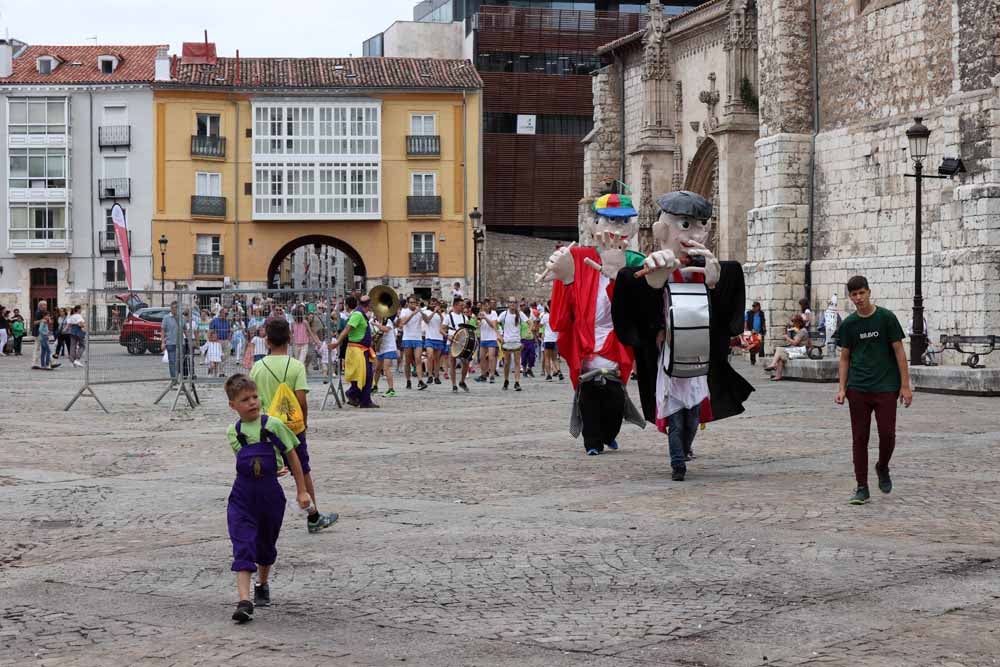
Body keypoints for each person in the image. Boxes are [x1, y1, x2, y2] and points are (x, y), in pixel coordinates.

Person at [613, 190, 753, 479]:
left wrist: (715, 281)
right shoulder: (652, 269)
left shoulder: (709, 269)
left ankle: (684, 449)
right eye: (685, 225)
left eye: (702, 225)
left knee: (692, 416)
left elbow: (726, 314)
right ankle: (677, 462)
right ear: (661, 230)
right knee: (676, 416)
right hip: (668, 360)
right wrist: (653, 283)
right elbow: (631, 301)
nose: (696, 235)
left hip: (698, 359)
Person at [544, 192, 647, 455]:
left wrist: (618, 277)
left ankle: (609, 432)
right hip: (585, 343)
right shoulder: (576, 257)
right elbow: (560, 318)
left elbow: (638, 310)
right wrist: (566, 281)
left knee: (614, 398)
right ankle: (592, 442)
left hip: (616, 343)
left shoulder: (636, 262)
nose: (614, 229)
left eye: (622, 222)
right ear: (594, 225)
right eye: (608, 220)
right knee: (588, 396)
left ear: (632, 228)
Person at [224, 373, 311, 623]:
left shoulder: (273, 425)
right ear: (233, 406)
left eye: (254, 397)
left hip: (270, 496)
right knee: (243, 545)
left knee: (265, 543)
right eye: (245, 399)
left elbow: (293, 456)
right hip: (241, 497)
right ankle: (244, 600)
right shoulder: (233, 432)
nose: (252, 402)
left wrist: (301, 489)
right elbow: (244, 461)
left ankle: (262, 583)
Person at [251, 318, 339, 533]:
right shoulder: (296, 366)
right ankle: (313, 516)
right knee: (302, 470)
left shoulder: (257, 367)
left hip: (265, 427)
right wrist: (304, 424)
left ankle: (258, 516)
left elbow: (254, 398)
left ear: (267, 341)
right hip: (292, 428)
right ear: (290, 339)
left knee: (264, 472)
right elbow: (301, 400)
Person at [834, 275, 913, 506]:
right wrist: (841, 388)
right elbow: (845, 357)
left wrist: (905, 385)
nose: (858, 298)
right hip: (858, 388)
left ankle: (882, 466)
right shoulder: (849, 325)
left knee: (888, 434)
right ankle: (861, 487)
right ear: (850, 297)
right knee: (860, 437)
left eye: (862, 293)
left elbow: (899, 352)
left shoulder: (886, 318)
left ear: (869, 292)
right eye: (854, 294)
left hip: (886, 387)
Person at [333, 294, 378, 408]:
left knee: (363, 375)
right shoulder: (358, 315)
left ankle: (361, 399)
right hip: (358, 350)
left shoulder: (360, 314)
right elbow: (347, 329)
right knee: (365, 375)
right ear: (369, 305)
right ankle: (354, 395)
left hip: (361, 350)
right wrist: (337, 342)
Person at [764, 314, 809, 381]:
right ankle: (778, 376)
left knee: (779, 349)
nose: (793, 323)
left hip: (801, 352)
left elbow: (795, 343)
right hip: (797, 350)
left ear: (799, 322)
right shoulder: (799, 330)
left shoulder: (802, 331)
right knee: (780, 356)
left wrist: (787, 337)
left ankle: (773, 365)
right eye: (792, 321)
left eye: (794, 322)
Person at [397, 296, 426, 390]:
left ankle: (420, 381)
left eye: (414, 302)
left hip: (418, 338)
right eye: (411, 302)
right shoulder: (404, 311)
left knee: (418, 359)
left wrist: (421, 312)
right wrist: (413, 313)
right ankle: (408, 380)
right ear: (408, 303)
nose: (413, 304)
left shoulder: (419, 311)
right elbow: (403, 322)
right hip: (407, 338)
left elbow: (427, 320)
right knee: (408, 361)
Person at [443, 296, 471, 393]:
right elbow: (441, 329)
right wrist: (447, 336)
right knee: (453, 363)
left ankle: (462, 381)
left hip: (462, 343)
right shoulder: (448, 316)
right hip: (452, 342)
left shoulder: (465, 317)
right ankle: (454, 384)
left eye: (463, 305)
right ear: (455, 305)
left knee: (466, 363)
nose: (463, 307)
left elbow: (467, 330)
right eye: (461, 305)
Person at [497, 299, 523, 391]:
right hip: (507, 341)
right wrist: (499, 335)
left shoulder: (520, 314)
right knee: (507, 363)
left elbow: (529, 322)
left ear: (516, 304)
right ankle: (506, 380)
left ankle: (517, 382)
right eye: (511, 302)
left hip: (516, 341)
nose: (512, 304)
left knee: (517, 363)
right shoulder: (504, 314)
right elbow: (495, 323)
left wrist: (527, 332)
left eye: (514, 302)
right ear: (508, 304)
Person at [372, 313, 398, 398]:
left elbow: (386, 329)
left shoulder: (388, 321)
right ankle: (374, 386)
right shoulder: (371, 321)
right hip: (380, 348)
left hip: (389, 347)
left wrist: (376, 324)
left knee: (386, 368)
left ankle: (391, 389)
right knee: (377, 369)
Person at [421, 298, 445, 387]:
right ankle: (430, 375)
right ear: (429, 304)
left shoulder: (440, 314)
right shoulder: (427, 312)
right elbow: (427, 320)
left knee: (437, 358)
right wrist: (434, 312)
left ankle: (436, 376)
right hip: (429, 337)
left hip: (438, 337)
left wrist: (439, 313)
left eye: (435, 303)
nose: (434, 305)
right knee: (430, 356)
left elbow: (443, 322)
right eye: (432, 303)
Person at [476, 299, 499, 383]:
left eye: (487, 305)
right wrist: (478, 319)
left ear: (489, 305)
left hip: (492, 338)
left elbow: (493, 325)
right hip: (483, 338)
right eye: (483, 305)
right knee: (482, 357)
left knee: (491, 357)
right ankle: (483, 374)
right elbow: (477, 325)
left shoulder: (494, 313)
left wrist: (485, 318)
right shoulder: (481, 313)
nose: (485, 307)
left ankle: (492, 375)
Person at [539, 300, 562, 381]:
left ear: (548, 306)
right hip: (555, 339)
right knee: (555, 358)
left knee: (547, 358)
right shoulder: (557, 315)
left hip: (547, 339)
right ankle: (559, 372)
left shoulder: (545, 316)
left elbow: (540, 325)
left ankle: (549, 375)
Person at [161, 301, 181, 381]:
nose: (174, 309)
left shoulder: (180, 317)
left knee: (179, 362)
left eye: (176, 308)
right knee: (172, 362)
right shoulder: (166, 318)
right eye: (173, 308)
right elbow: (162, 330)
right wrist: (163, 342)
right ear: (171, 308)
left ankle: (178, 377)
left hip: (180, 343)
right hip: (170, 343)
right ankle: (174, 379)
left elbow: (185, 329)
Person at [210, 307, 233, 373]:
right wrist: (212, 339)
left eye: (227, 313)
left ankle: (221, 371)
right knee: (216, 356)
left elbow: (229, 331)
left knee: (226, 355)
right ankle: (215, 372)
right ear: (221, 313)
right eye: (225, 313)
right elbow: (210, 330)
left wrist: (229, 337)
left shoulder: (227, 322)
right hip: (217, 341)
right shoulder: (215, 320)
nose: (226, 315)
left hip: (225, 340)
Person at [744, 301, 767, 366]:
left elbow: (763, 321)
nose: (754, 307)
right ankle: (753, 361)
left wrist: (764, 329)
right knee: (752, 347)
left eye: (755, 306)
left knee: (761, 346)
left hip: (760, 332)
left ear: (758, 307)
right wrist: (746, 330)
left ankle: (762, 360)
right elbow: (745, 322)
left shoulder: (761, 313)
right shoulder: (749, 313)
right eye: (753, 306)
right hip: (751, 332)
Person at [519, 304, 538, 377]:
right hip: (523, 340)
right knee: (524, 356)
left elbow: (534, 330)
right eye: (526, 314)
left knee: (532, 356)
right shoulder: (521, 321)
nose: (527, 315)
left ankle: (529, 368)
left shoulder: (530, 321)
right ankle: (524, 371)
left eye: (528, 314)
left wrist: (535, 339)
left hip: (530, 340)